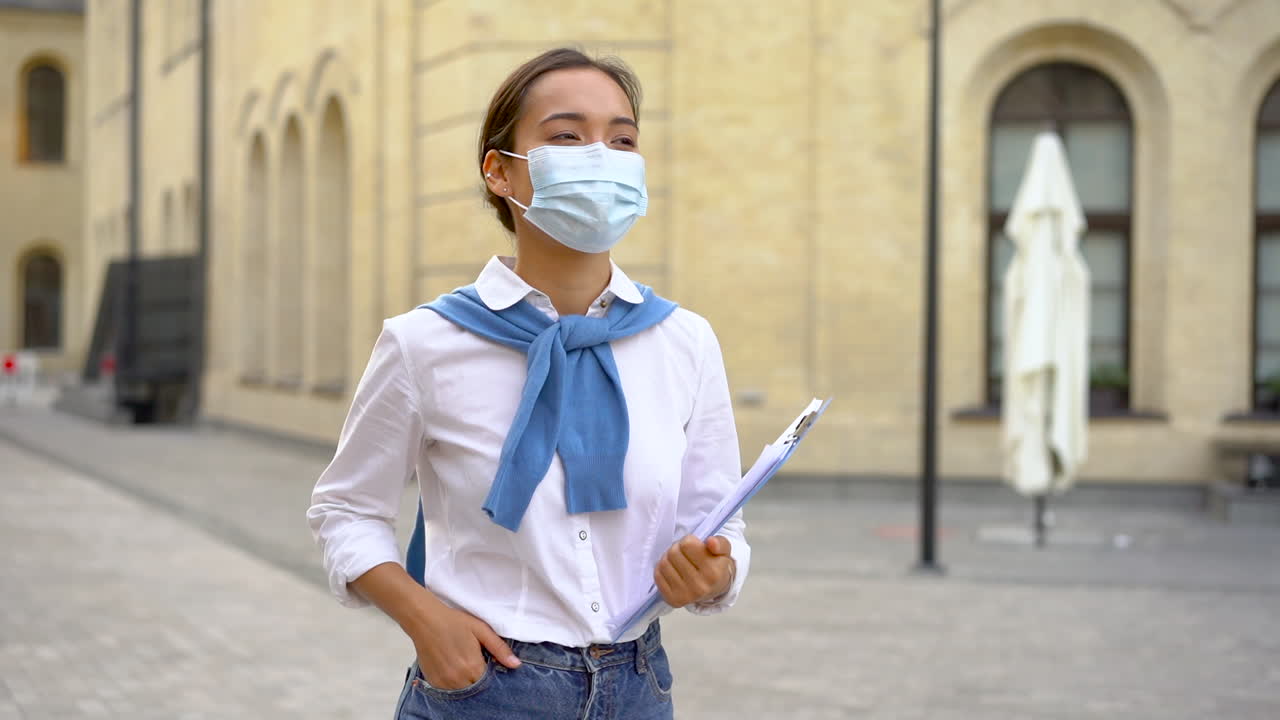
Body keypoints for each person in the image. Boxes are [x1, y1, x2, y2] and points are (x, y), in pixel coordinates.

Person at [308, 47, 750, 720]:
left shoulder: (682, 341)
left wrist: (715, 571)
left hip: (638, 686)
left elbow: (720, 524)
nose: (600, 156)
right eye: (567, 136)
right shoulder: (427, 341)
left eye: (622, 138)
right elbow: (346, 510)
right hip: (484, 688)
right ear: (500, 172)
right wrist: (425, 619)